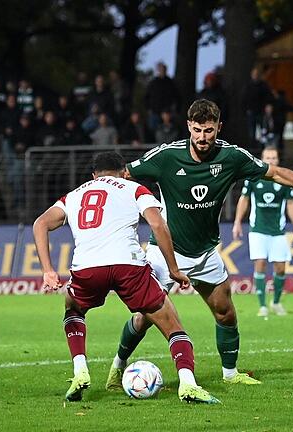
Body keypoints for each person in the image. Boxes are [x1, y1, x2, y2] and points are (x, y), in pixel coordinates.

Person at [105, 99, 293, 388]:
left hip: (206, 253)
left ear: (219, 127)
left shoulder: (231, 157)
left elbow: (276, 173)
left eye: (208, 130)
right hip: (164, 252)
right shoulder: (167, 156)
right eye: (196, 130)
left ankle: (230, 374)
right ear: (188, 127)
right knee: (144, 317)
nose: (202, 137)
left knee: (225, 312)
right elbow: (122, 175)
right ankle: (118, 366)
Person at [33, 152, 219, 404]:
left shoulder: (74, 195)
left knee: (73, 309)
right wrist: (174, 269)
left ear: (93, 175)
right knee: (172, 325)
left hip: (88, 269)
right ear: (123, 171)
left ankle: (79, 371)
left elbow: (40, 223)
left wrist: (48, 269)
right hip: (128, 266)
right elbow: (158, 225)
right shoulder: (135, 188)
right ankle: (188, 384)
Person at [232, 146, 293, 317]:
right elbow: (244, 200)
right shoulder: (253, 178)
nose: (271, 161)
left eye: (274, 158)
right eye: (268, 158)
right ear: (262, 159)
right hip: (258, 230)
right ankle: (262, 305)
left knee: (280, 268)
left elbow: (291, 204)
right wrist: (237, 222)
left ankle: (276, 302)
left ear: (278, 160)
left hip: (278, 232)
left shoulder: (284, 180)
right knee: (260, 264)